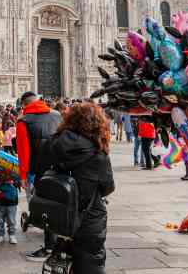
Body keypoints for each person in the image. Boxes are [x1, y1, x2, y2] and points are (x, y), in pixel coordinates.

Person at [39, 102, 115, 274]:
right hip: (88, 218)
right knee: (90, 262)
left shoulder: (52, 144)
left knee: (64, 255)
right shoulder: (98, 154)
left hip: (58, 216)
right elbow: (107, 187)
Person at [16, 91, 62, 262]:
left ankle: (50, 248)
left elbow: (23, 151)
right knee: (58, 206)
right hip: (60, 168)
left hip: (41, 172)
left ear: (24, 105)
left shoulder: (23, 121)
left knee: (46, 209)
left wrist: (23, 175)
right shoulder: (57, 115)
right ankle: (60, 244)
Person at [0, 168, 19, 245]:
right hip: (0, 200)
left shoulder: (15, 173)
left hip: (12, 200)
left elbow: (19, 183)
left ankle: (12, 235)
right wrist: (0, 178)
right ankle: (0, 234)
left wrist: (13, 181)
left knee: (11, 219)